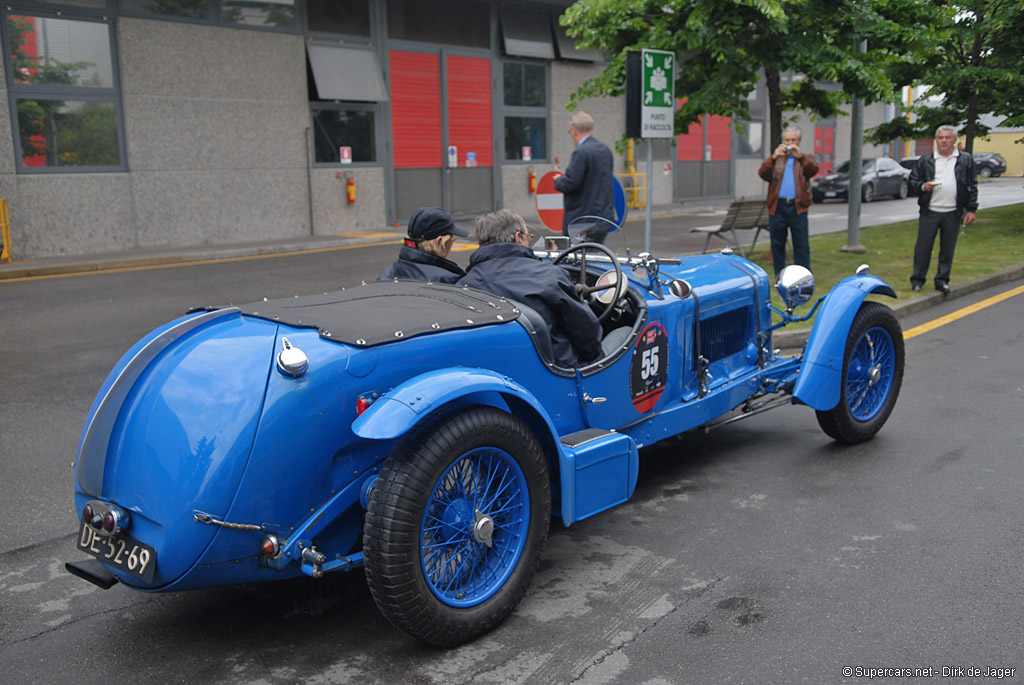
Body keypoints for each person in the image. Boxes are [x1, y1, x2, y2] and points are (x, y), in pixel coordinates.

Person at [458, 209, 602, 368]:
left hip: (495, 373)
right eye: (528, 238)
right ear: (518, 238)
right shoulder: (552, 276)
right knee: (622, 334)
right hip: (557, 370)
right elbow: (588, 335)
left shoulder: (463, 286)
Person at [908, 124, 978, 294]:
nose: (944, 141)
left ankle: (942, 280)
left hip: (953, 212)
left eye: (947, 137)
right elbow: (912, 182)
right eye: (941, 138)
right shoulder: (927, 160)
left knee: (947, 249)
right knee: (923, 248)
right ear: (936, 140)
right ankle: (918, 280)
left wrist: (971, 209)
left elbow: (972, 185)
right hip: (930, 211)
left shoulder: (965, 159)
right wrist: (924, 186)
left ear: (954, 139)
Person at [758, 127, 819, 279]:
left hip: (798, 208)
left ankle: (804, 278)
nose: (790, 144)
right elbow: (763, 174)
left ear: (799, 142)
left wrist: (801, 158)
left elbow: (813, 170)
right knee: (777, 244)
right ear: (782, 142)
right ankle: (780, 277)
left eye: (793, 140)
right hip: (778, 207)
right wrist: (772, 158)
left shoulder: (805, 159)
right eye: (787, 140)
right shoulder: (776, 160)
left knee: (801, 245)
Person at [554, 111, 616, 243]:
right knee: (593, 258)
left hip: (582, 221)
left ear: (574, 130)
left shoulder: (581, 152)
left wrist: (558, 181)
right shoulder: (605, 150)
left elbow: (571, 183)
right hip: (603, 219)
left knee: (578, 260)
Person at [377, 207, 468, 283]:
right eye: (451, 239)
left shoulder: (388, 274)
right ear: (439, 242)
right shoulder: (448, 280)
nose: (451, 243)